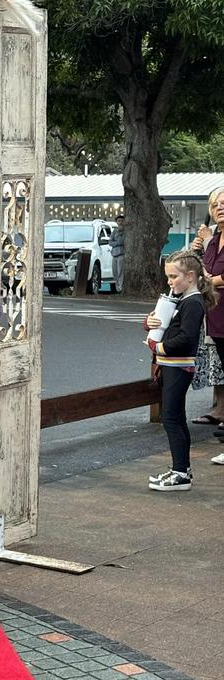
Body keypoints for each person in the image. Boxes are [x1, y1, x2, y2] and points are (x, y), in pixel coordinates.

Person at [145, 250, 217, 491]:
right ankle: (181, 469)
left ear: (190, 276)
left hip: (178, 365)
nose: (169, 282)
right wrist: (150, 322)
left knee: (172, 419)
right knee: (174, 418)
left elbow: (186, 337)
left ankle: (180, 473)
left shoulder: (193, 302)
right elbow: (167, 324)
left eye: (173, 277)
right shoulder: (185, 299)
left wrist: (158, 346)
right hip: (173, 365)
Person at [191, 187, 224, 462]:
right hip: (215, 315)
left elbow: (212, 277)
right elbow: (203, 270)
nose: (220, 208)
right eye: (215, 205)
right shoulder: (213, 241)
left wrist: (210, 279)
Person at [109, 214, 125, 294]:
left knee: (120, 272)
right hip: (114, 254)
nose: (120, 222)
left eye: (122, 221)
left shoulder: (125, 231)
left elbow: (122, 241)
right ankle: (117, 287)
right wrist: (116, 243)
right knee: (114, 272)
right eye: (119, 221)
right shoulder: (114, 231)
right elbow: (110, 242)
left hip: (122, 254)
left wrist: (117, 241)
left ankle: (121, 287)